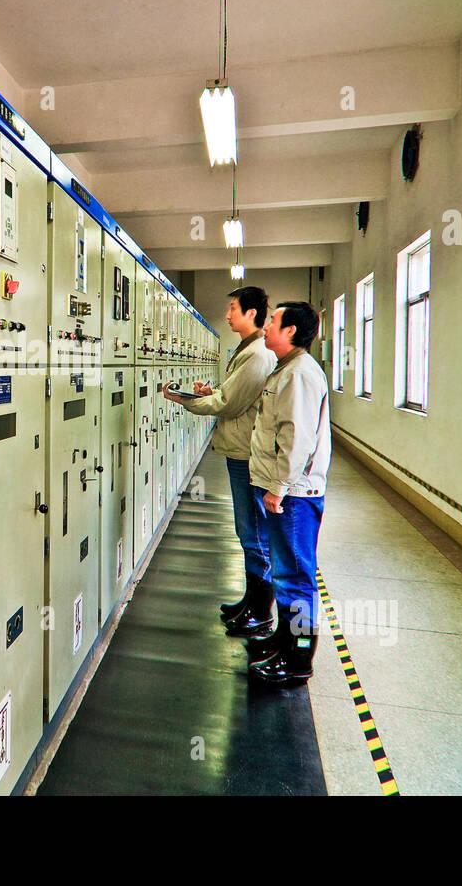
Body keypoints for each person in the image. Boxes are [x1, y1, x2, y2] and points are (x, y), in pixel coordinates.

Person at [163, 286, 276, 635]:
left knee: (253, 533)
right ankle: (251, 602)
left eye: (233, 309)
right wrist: (209, 392)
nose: (227, 315)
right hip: (240, 450)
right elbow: (231, 395)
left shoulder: (256, 355)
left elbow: (229, 403)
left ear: (251, 314)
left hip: (246, 455)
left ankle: (260, 611)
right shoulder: (248, 351)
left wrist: (183, 399)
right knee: (248, 531)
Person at [245, 301, 331, 684]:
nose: (266, 327)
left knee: (295, 574)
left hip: (295, 491)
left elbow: (297, 439)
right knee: (286, 572)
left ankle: (297, 660)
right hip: (288, 488)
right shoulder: (288, 369)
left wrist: (278, 487)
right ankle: (284, 637)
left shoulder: (298, 374)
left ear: (291, 330)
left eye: (274, 322)